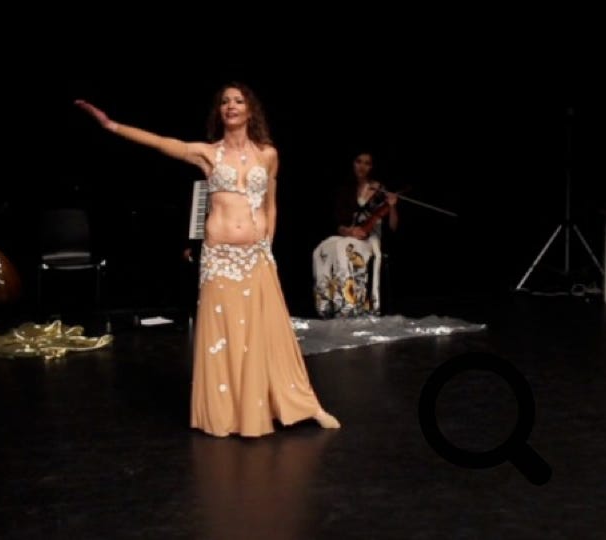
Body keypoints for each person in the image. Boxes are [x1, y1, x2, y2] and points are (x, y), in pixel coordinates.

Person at [75, 81, 340, 437]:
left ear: (250, 110)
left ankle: (304, 405)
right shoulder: (207, 154)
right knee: (226, 336)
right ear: (220, 111)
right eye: (225, 101)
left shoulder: (268, 155)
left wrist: (268, 244)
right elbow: (161, 143)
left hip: (256, 255)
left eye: (238, 100)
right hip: (220, 258)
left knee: (268, 334)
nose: (231, 105)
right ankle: (228, 414)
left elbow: (270, 204)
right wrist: (112, 126)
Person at [312, 151, 399, 318]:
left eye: (367, 163)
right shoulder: (345, 189)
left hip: (370, 238)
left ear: (372, 167)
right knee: (321, 249)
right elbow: (338, 222)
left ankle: (348, 305)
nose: (362, 166)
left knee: (344, 247)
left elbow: (393, 227)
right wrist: (349, 231)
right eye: (359, 161)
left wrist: (393, 205)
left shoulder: (379, 189)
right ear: (352, 163)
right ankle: (326, 305)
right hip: (349, 234)